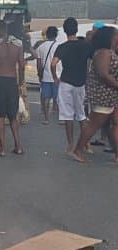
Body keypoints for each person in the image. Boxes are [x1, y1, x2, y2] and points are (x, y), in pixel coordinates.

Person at [72, 27, 118, 163]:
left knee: (114, 124)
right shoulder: (104, 53)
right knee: (94, 124)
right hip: (104, 95)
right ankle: (78, 150)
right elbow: (103, 74)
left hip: (111, 95)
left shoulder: (107, 52)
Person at [51, 17, 93, 155]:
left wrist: (55, 78)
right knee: (81, 115)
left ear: (64, 30)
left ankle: (70, 145)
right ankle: (86, 144)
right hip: (81, 83)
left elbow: (53, 64)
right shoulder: (86, 45)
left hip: (66, 82)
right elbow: (93, 61)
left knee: (67, 116)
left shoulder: (62, 47)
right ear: (76, 29)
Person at [0, 20, 24, 157]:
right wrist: (21, 82)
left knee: (0, 116)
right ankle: (18, 146)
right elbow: (22, 65)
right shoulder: (18, 45)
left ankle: (2, 149)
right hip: (12, 81)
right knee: (13, 116)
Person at [36, 26, 59, 125]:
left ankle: (46, 119)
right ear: (56, 34)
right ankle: (61, 119)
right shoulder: (59, 46)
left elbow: (39, 63)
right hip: (57, 75)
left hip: (46, 76)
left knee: (46, 98)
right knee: (58, 98)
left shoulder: (41, 47)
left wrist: (39, 75)